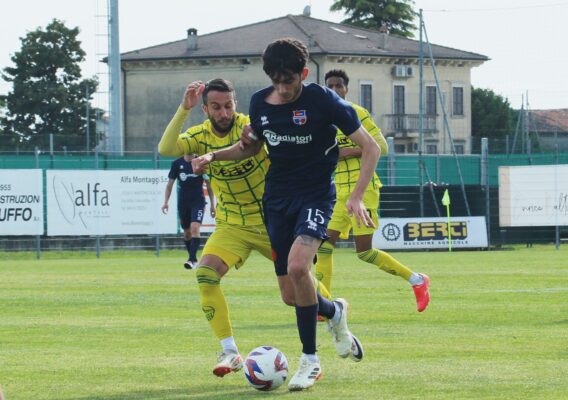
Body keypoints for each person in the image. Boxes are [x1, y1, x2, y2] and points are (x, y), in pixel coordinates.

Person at [192, 38, 379, 391]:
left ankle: (310, 360)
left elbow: (371, 147)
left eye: (289, 81)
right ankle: (334, 312)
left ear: (303, 74)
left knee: (298, 266)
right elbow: (248, 147)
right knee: (292, 295)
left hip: (316, 198)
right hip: (276, 203)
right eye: (276, 81)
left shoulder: (325, 101)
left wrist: (355, 197)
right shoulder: (260, 103)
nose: (282, 88)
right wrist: (213, 157)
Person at [158, 78, 335, 379]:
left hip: (271, 218)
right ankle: (230, 351)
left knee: (296, 290)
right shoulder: (199, 136)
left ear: (235, 105)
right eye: (216, 107)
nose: (224, 113)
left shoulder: (251, 126)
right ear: (205, 109)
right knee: (205, 274)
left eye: (228, 106)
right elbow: (165, 149)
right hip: (232, 225)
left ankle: (334, 313)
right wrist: (183, 109)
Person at [316, 69, 430, 312]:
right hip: (337, 192)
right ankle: (323, 306)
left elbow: (381, 146)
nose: (334, 90)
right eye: (330, 86)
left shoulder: (355, 113)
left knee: (364, 252)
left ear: (346, 89)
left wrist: (349, 151)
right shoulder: (322, 119)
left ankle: (417, 280)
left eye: (339, 85)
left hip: (364, 189)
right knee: (323, 247)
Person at [162, 154, 215, 270]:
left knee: (195, 227)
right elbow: (169, 185)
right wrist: (165, 202)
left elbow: (209, 186)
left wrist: (212, 205)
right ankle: (193, 258)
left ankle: (191, 260)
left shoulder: (201, 161)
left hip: (198, 202)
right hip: (183, 203)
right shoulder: (176, 164)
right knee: (187, 233)